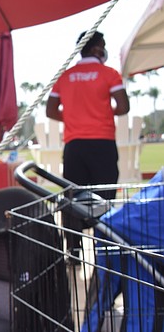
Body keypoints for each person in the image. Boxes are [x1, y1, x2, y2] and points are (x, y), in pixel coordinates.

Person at [46, 30, 130, 257]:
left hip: (74, 146)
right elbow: (123, 107)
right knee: (104, 196)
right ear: (96, 48)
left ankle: (74, 251)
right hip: (102, 143)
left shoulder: (65, 76)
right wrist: (101, 114)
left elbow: (50, 110)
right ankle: (105, 249)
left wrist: (74, 117)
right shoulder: (109, 73)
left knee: (72, 198)